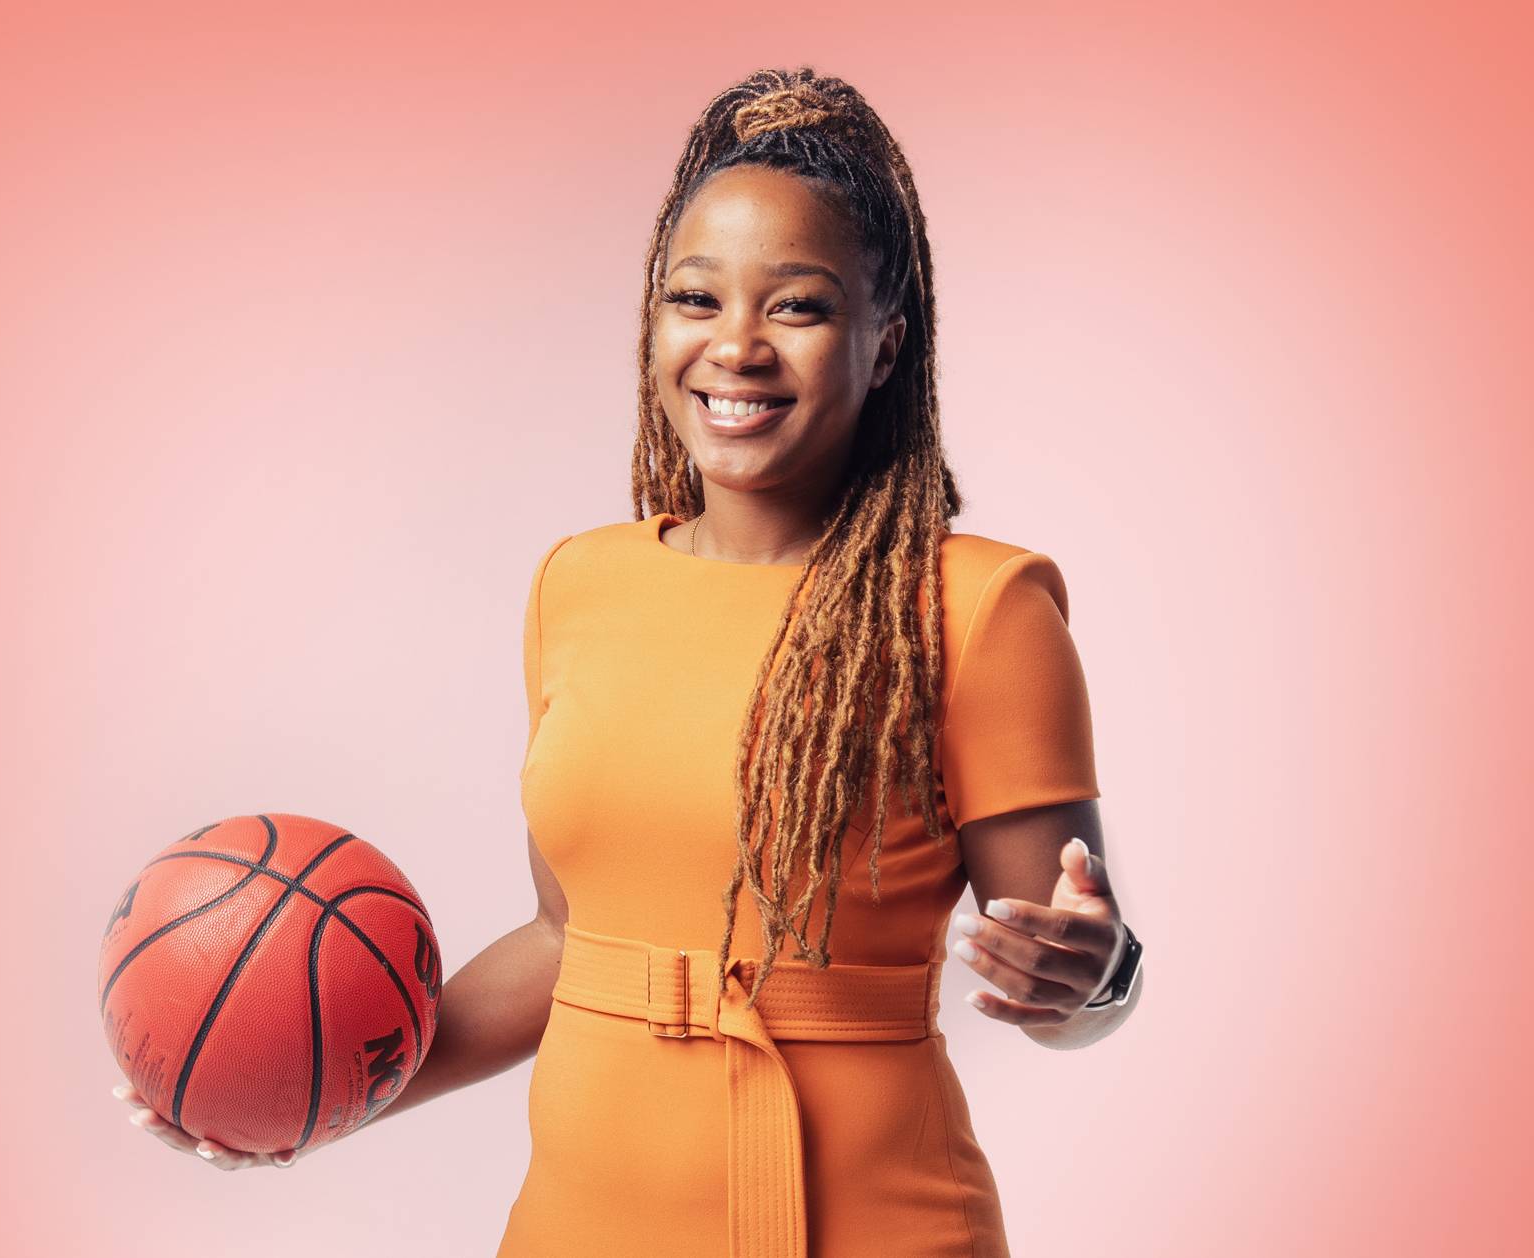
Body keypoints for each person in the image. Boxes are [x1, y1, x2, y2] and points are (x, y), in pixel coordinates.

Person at [113, 64, 1143, 1258]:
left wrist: (1096, 975)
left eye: (798, 307)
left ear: (884, 343)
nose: (737, 347)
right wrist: (313, 1095)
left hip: (868, 1227)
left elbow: (1063, 975)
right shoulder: (579, 584)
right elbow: (568, 940)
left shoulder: (979, 608)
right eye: (695, 297)